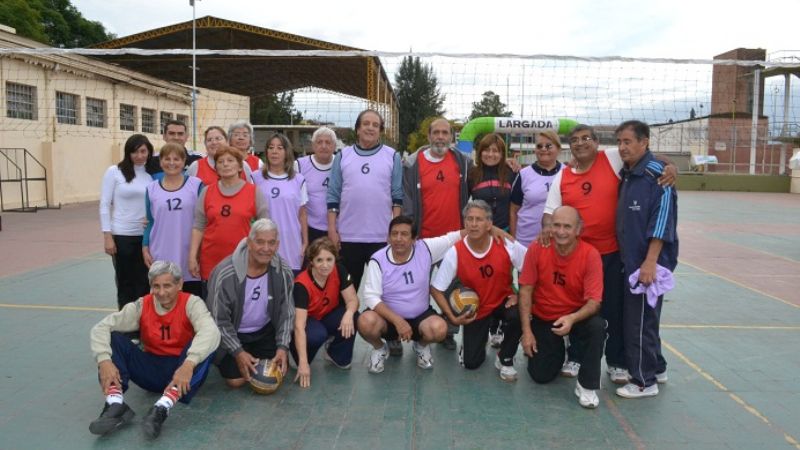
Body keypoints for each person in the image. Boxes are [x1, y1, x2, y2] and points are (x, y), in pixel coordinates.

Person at [542, 124, 675, 382]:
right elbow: (550, 211)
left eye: (586, 139)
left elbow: (649, 155)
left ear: (596, 142)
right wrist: (547, 229)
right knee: (579, 307)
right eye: (575, 140)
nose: (580, 144)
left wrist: (670, 167)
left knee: (615, 310)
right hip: (577, 257)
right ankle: (576, 357)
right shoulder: (563, 175)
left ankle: (617, 362)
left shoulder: (612, 157)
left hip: (613, 253)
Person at [88, 261, 220, 439]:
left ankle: (161, 408)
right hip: (151, 369)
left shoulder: (191, 303)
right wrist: (104, 360)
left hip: (182, 372)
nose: (162, 292)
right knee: (112, 338)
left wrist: (189, 364)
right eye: (156, 286)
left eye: (167, 285)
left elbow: (211, 332)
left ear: (179, 284)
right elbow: (100, 328)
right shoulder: (142, 305)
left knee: (207, 342)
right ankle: (115, 403)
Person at [358, 215, 471, 373]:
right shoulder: (377, 259)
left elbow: (454, 237)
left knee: (439, 329)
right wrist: (398, 321)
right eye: (394, 234)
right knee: (365, 322)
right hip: (388, 319)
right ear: (388, 237)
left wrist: (490, 228)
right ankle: (379, 349)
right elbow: (371, 297)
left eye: (404, 234)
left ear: (414, 239)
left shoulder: (425, 248)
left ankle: (421, 346)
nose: (398, 239)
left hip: (420, 316)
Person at [614, 120, 678, 399]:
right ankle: (658, 367)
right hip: (631, 261)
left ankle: (643, 381)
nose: (622, 147)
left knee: (639, 321)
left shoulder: (657, 176)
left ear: (645, 142)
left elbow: (662, 222)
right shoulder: (627, 173)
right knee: (645, 317)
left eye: (628, 142)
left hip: (647, 264)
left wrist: (650, 262)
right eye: (620, 142)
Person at [518, 206, 605, 409]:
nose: (561, 231)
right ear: (549, 227)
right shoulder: (537, 248)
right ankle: (559, 350)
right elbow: (525, 291)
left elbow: (594, 302)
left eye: (567, 226)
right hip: (545, 316)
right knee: (540, 376)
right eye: (556, 225)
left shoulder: (590, 255)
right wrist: (527, 332)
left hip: (576, 316)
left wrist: (572, 319)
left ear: (578, 230)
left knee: (597, 326)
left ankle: (586, 385)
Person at [431, 200, 527, 382]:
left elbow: (531, 266)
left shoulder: (504, 243)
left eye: (479, 220)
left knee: (519, 313)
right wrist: (452, 316)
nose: (474, 224)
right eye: (469, 219)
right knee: (471, 363)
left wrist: (519, 294)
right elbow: (436, 289)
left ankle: (505, 358)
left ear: (489, 224)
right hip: (475, 308)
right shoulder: (456, 251)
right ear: (464, 223)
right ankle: (471, 345)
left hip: (502, 300)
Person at [402, 117, 473, 351]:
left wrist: (509, 166)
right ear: (429, 136)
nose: (441, 137)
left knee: (453, 288)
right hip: (423, 240)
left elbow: (486, 174)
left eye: (445, 133)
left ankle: (448, 332)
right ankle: (414, 332)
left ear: (452, 137)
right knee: (416, 289)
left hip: (453, 240)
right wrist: (411, 234)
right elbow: (407, 201)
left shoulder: (462, 162)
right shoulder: (413, 164)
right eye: (436, 133)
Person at [205, 219, 295, 388]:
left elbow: (287, 312)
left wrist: (283, 346)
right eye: (260, 242)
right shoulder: (225, 274)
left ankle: (257, 355)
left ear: (278, 245)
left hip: (264, 331)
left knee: (275, 375)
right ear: (249, 242)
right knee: (236, 381)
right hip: (235, 333)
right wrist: (238, 352)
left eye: (271, 243)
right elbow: (218, 320)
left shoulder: (283, 271)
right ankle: (224, 357)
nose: (266, 248)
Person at [327, 109, 403, 293]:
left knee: (386, 292)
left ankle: (380, 323)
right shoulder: (343, 156)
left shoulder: (392, 156)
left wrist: (393, 232)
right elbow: (333, 196)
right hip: (349, 237)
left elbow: (397, 197)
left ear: (380, 131)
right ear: (358, 129)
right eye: (366, 124)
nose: (371, 128)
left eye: (375, 125)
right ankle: (347, 322)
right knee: (346, 292)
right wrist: (332, 230)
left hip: (381, 237)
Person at [188, 146, 269, 289]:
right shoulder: (207, 192)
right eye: (220, 161)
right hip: (211, 261)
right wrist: (192, 256)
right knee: (212, 308)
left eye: (230, 160)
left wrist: (262, 256)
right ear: (216, 168)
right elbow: (198, 226)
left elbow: (265, 227)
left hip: (244, 260)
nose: (225, 164)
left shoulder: (254, 192)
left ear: (239, 166)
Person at [100, 134, 158, 309]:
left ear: (149, 152)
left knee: (145, 282)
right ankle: (126, 325)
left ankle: (144, 324)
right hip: (122, 236)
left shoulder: (150, 176)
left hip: (145, 238)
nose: (139, 156)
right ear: (128, 153)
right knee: (125, 282)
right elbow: (104, 205)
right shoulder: (114, 172)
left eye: (143, 151)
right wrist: (107, 236)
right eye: (134, 152)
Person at [292, 237, 359, 387]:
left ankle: (335, 354)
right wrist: (303, 364)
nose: (325, 265)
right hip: (308, 321)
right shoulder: (302, 285)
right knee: (317, 335)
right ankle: (295, 354)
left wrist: (348, 315)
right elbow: (299, 326)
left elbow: (353, 300)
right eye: (319, 260)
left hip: (326, 315)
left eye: (329, 259)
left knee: (354, 316)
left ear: (335, 259)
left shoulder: (339, 270)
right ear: (311, 262)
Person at [143, 143, 204, 297]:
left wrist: (199, 251)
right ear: (160, 161)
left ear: (184, 162)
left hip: (189, 253)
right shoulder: (151, 188)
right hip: (161, 251)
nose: (171, 163)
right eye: (166, 158)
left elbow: (203, 221)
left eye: (176, 159)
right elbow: (150, 221)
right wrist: (144, 247)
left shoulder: (196, 185)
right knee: (164, 296)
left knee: (191, 301)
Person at [253, 133, 308, 275]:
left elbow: (302, 214)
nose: (274, 151)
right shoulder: (255, 177)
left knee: (289, 290)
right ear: (266, 152)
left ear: (287, 152)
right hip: (264, 243)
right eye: (271, 148)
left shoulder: (299, 180)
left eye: (279, 148)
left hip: (291, 242)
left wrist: (304, 243)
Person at [509, 130, 563, 248]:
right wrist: (514, 242)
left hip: (560, 241)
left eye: (548, 145)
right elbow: (513, 211)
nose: (543, 149)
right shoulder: (524, 174)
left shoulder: (568, 173)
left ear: (558, 149)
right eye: (539, 146)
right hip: (526, 241)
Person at [297, 127, 336, 243]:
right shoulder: (299, 165)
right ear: (313, 146)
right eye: (319, 142)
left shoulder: (342, 164)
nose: (323, 146)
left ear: (334, 146)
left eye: (328, 142)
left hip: (337, 229)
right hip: (310, 229)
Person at [467, 133, 514, 231]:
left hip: (505, 231)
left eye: (495, 151)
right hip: (480, 232)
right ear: (480, 152)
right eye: (486, 150)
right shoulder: (472, 174)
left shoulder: (510, 173)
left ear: (502, 155)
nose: (490, 154)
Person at [186, 126, 254, 186]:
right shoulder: (195, 167)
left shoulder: (242, 165)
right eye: (209, 140)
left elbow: (250, 191)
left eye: (218, 138)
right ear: (205, 144)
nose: (214, 142)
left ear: (227, 141)